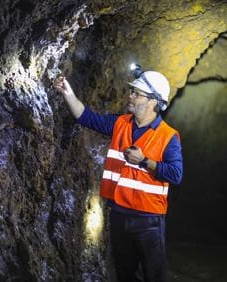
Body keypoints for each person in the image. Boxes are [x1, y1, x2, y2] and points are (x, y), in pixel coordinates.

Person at [54, 70, 183, 282]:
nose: (130, 96)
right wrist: (68, 93)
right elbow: (86, 117)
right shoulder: (120, 124)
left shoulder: (168, 136)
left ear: (153, 101)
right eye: (131, 91)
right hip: (119, 215)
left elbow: (176, 174)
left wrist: (144, 161)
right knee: (124, 274)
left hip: (148, 220)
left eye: (137, 93)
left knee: (154, 276)